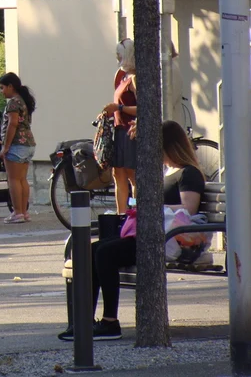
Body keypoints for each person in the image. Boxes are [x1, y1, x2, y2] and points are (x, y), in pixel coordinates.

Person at [58, 120, 205, 342]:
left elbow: (189, 208)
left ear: (171, 146)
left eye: (160, 148)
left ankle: (110, 322)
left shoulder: (188, 173)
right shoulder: (167, 171)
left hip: (167, 239)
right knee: (93, 250)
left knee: (105, 253)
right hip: (150, 233)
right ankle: (84, 321)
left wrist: (152, 206)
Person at [103, 38, 137, 214]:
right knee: (118, 175)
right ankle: (121, 214)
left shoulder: (135, 79)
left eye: (120, 55)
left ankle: (137, 213)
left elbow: (143, 108)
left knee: (132, 175)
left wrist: (120, 108)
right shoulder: (121, 75)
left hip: (130, 130)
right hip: (118, 128)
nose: (117, 58)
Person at [0, 72, 36, 224]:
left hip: (16, 144)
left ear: (10, 86)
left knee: (13, 179)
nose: (1, 91)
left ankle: (17, 212)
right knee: (22, 179)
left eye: (2, 88)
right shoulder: (23, 101)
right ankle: (24, 212)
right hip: (28, 143)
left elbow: (12, 124)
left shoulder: (12, 103)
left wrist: (5, 147)